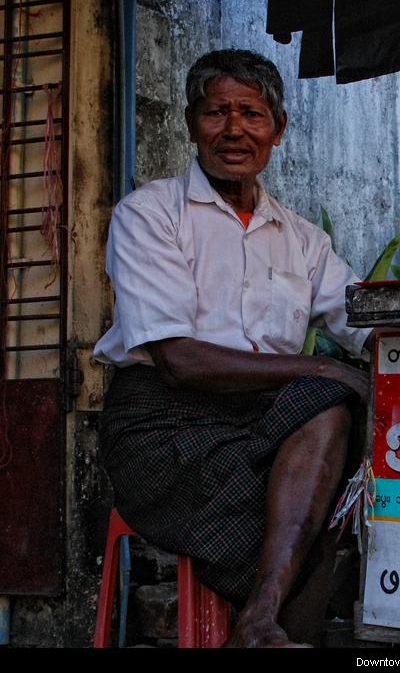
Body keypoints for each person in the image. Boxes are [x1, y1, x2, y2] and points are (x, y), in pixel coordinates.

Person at [95, 49, 372, 647]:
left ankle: (264, 628)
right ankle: (262, 617)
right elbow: (179, 360)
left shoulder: (303, 239)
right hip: (162, 425)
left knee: (336, 476)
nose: (234, 130)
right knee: (322, 424)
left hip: (263, 421)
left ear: (278, 128)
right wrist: (325, 365)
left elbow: (365, 321)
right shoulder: (150, 215)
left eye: (251, 113)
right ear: (192, 122)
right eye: (216, 112)